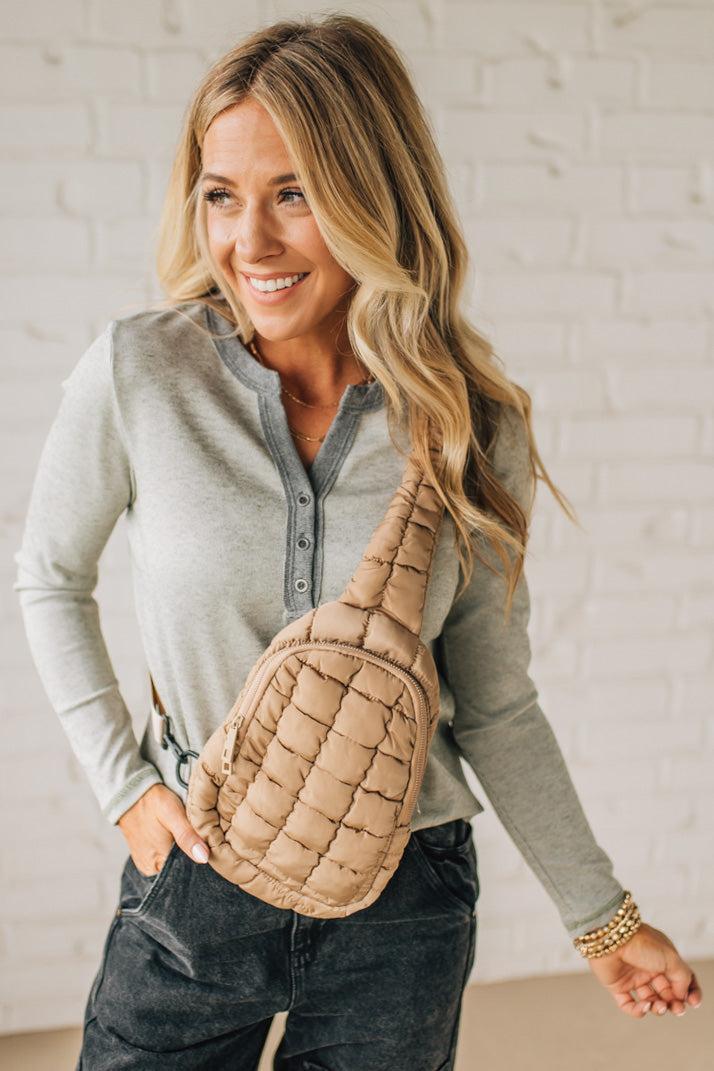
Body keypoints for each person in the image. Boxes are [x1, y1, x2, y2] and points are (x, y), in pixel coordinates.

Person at [13, 13, 702, 1070]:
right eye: (222, 195)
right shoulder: (141, 373)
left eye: (294, 193)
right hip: (195, 871)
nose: (250, 243)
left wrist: (602, 919)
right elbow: (51, 577)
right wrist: (126, 790)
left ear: (377, 195)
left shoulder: (467, 422)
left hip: (405, 904)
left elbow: (497, 702)